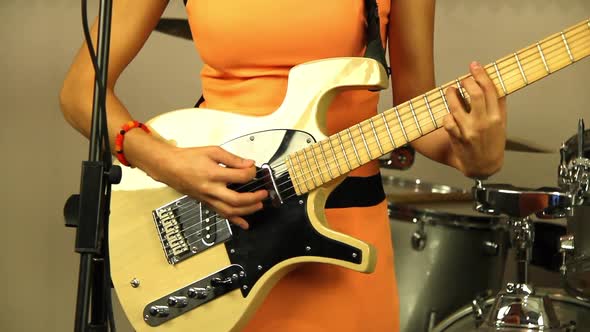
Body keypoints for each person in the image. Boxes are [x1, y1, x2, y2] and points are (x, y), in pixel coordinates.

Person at [59, 1, 506, 331]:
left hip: (342, 233)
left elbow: (416, 111)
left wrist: (473, 156)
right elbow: (82, 92)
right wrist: (165, 162)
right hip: (218, 229)